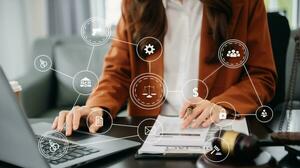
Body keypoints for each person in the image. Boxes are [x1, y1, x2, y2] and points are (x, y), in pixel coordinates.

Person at [52, 0, 276, 136]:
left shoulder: (246, 3)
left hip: (217, 131)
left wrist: (220, 106)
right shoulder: (133, 4)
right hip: (149, 132)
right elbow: (117, 73)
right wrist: (96, 107)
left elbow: (261, 76)